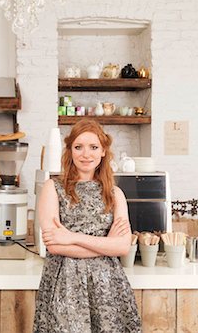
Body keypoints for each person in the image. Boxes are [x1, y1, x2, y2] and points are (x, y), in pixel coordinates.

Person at [33, 120, 141, 332]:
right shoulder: (52, 188)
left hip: (108, 286)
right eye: (78, 147)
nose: (86, 154)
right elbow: (54, 245)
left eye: (93, 147)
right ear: (70, 150)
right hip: (65, 284)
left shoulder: (115, 194)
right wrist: (105, 244)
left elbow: (122, 247)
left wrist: (72, 237)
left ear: (103, 151)